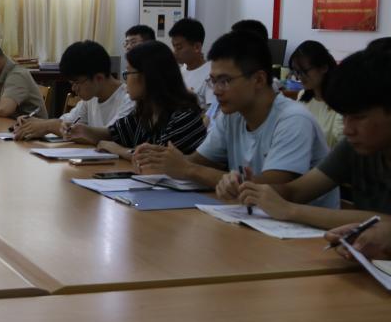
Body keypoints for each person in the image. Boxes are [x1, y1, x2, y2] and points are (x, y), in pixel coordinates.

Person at [133, 31, 339, 209]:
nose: (216, 91)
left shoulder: (293, 119)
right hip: (254, 218)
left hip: (306, 232)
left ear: (258, 79)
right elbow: (196, 162)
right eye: (213, 81)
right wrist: (161, 159)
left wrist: (189, 169)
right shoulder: (232, 115)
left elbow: (269, 188)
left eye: (224, 81)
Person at [238, 44, 389, 230]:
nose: (348, 130)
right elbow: (295, 191)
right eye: (344, 116)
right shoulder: (352, 147)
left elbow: (386, 223)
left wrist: (291, 210)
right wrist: (253, 188)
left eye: (359, 117)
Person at [71, 41, 205, 160]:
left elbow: (157, 160)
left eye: (128, 73)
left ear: (147, 76)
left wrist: (118, 150)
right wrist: (82, 130)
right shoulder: (145, 111)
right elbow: (113, 133)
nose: (125, 81)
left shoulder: (183, 115)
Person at [13, 40, 132, 141]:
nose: (73, 88)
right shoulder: (91, 98)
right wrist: (36, 122)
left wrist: (47, 126)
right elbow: (67, 123)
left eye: (76, 82)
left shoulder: (129, 99)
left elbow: (110, 135)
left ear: (99, 78)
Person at [288, 40, 343, 149]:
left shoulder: (341, 102)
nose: (299, 77)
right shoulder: (303, 96)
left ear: (323, 67)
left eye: (304, 71)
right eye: (297, 72)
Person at [168, 18, 213, 111]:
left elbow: (212, 113)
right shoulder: (181, 70)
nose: (174, 52)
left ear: (197, 47)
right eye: (174, 47)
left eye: (179, 47)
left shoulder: (211, 74)